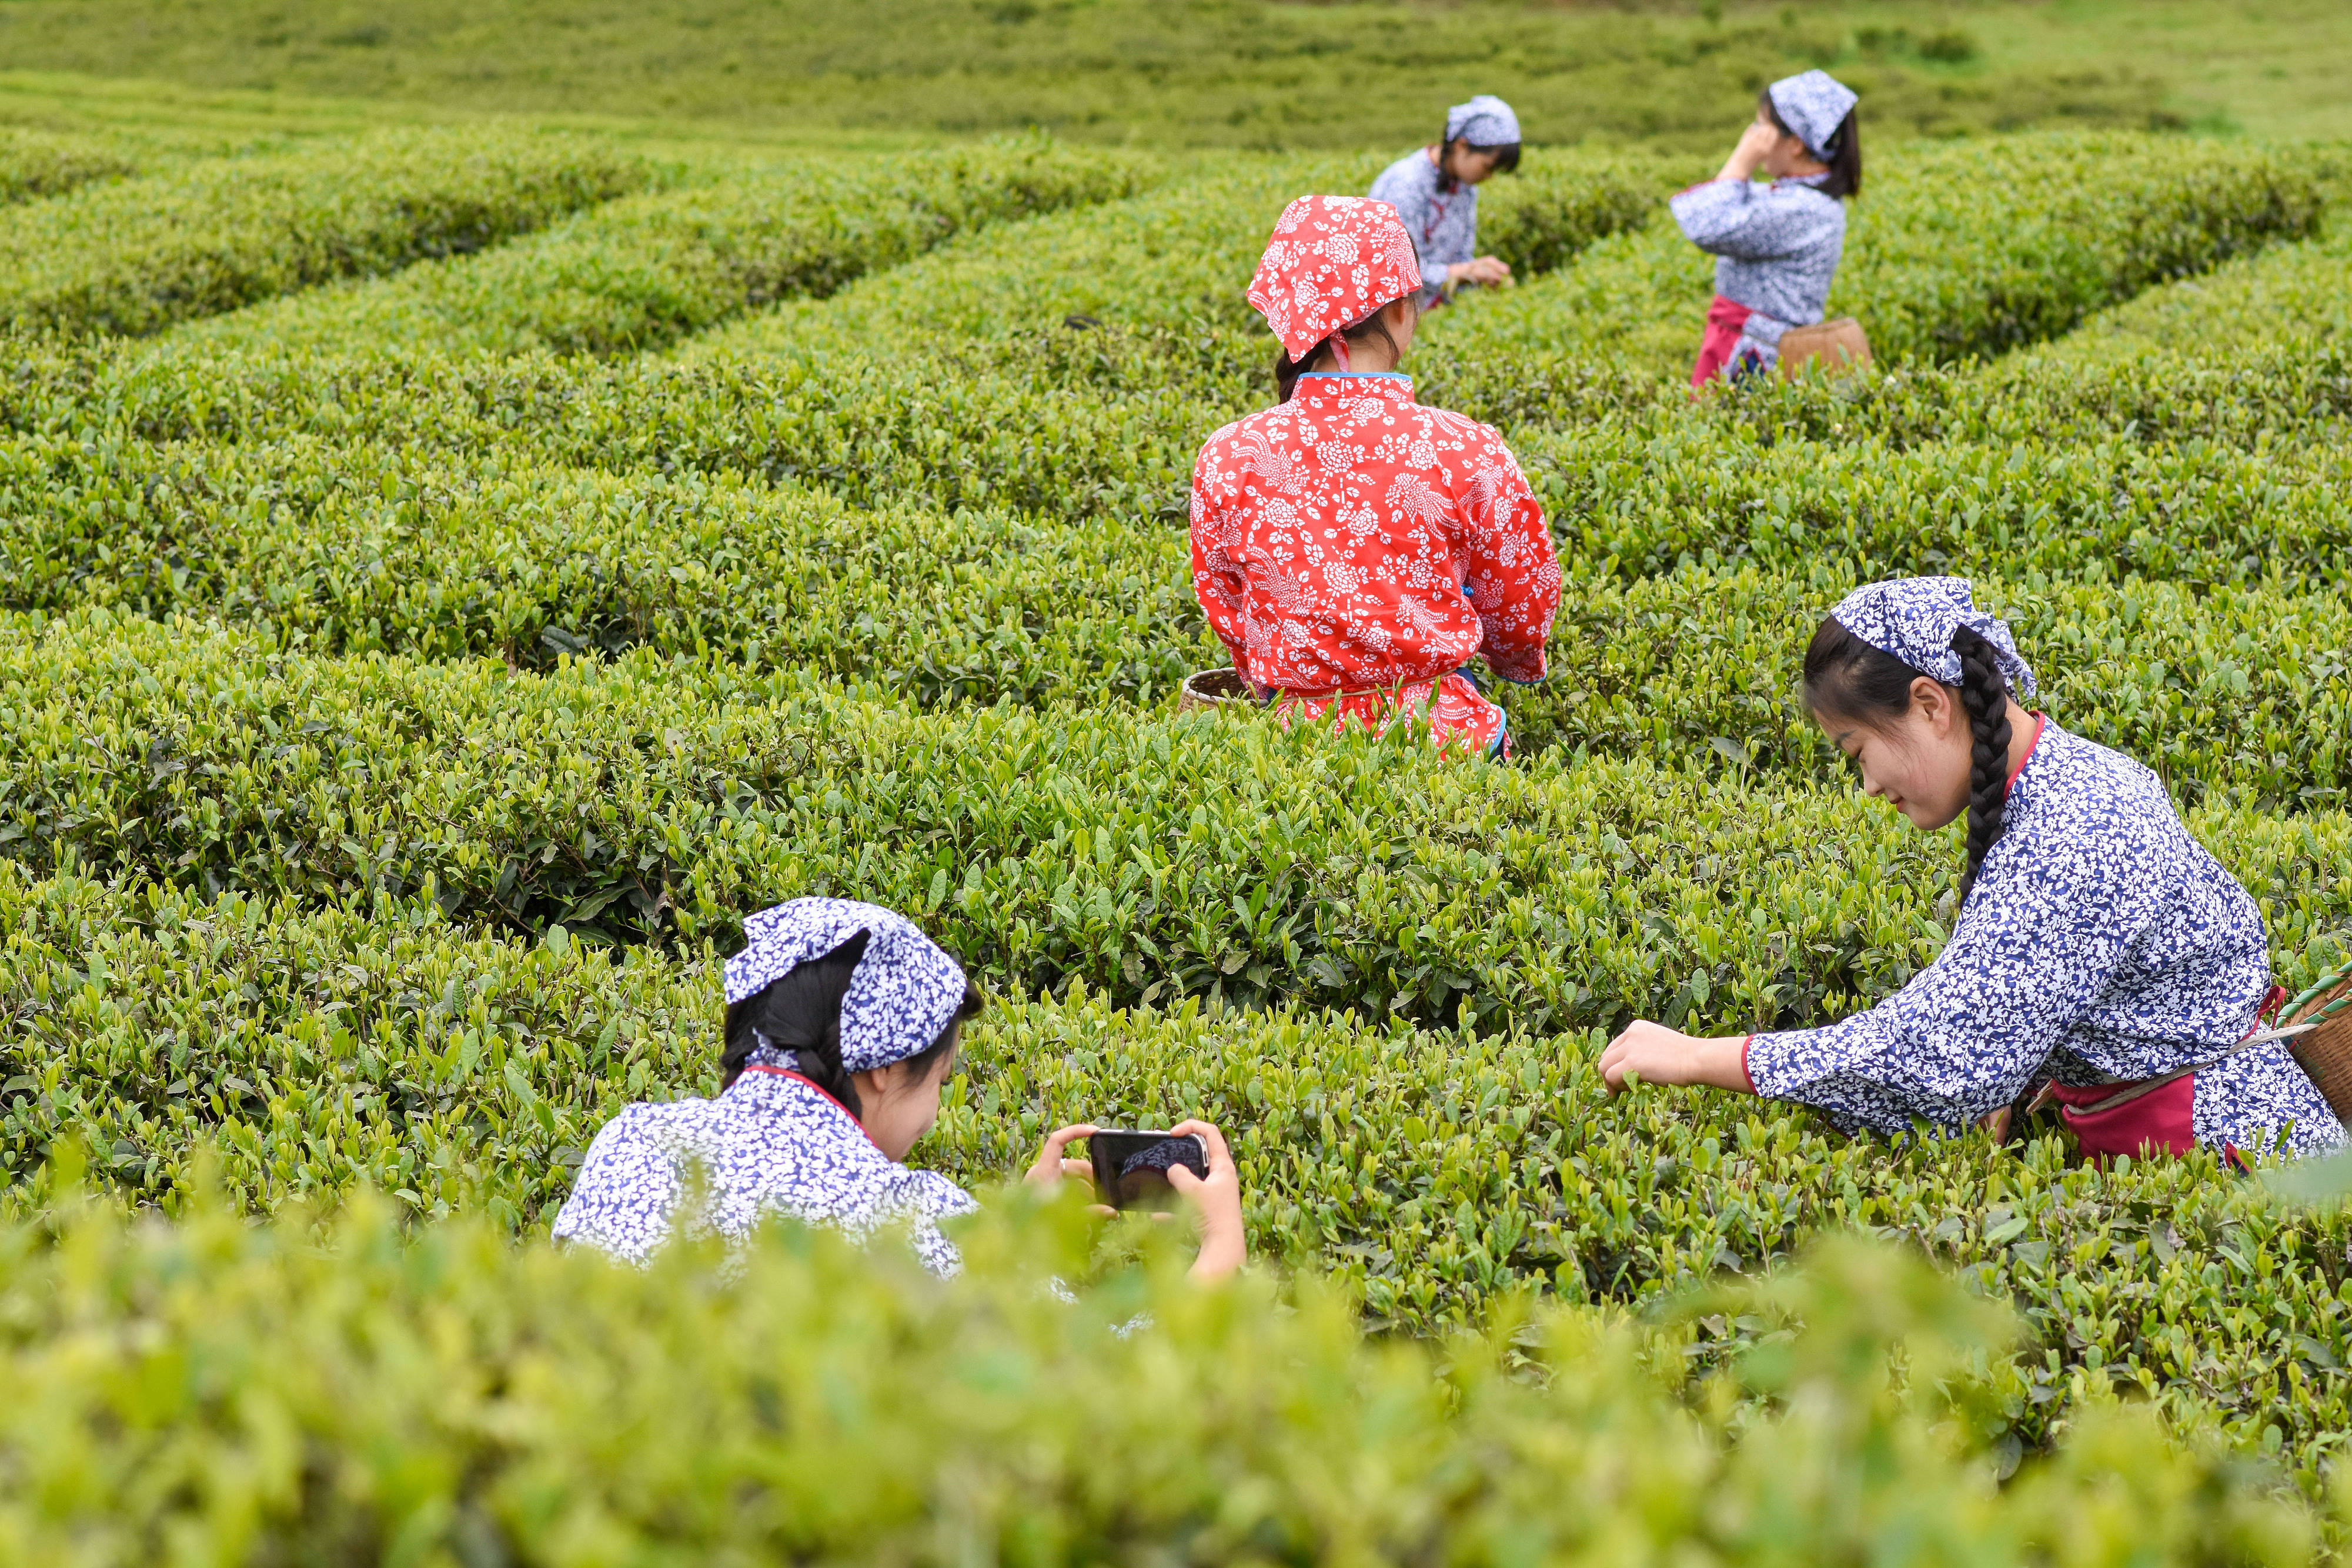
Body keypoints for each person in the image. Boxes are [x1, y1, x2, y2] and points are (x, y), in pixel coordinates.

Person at [1596, 577, 2346, 1164]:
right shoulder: (2057, 782)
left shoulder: (2077, 827)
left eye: (1858, 753)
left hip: (2227, 1162)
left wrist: (1700, 1055)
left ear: (1930, 703)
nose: (1868, 788)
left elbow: (1939, 1056)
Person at [553, 897, 1249, 1278]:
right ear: (883, 1068)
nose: (934, 1113)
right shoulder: (913, 1219)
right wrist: (1222, 1242)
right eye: (939, 1080)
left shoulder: (633, 1138)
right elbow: (1101, 1387)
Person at [1188, 193, 1562, 759]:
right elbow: (1520, 597)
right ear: (1398, 310)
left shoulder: (1230, 452)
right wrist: (1515, 664)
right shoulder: (1465, 446)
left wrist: (1277, 680)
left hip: (1292, 756)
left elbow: (1227, 605)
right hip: (1449, 748)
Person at [1670, 69, 1862, 386]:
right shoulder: (1800, 196)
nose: (1754, 137)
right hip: (1748, 344)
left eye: (1762, 127)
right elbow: (1709, 206)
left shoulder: (1803, 209)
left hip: (1757, 359)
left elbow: (1706, 224)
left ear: (1796, 144)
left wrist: (1741, 161)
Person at [1368, 94, 1522, 309]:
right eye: (1488, 167)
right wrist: (1464, 272)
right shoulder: (1406, 185)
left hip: (1432, 310)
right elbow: (1398, 271)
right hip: (1393, 314)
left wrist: (1481, 274)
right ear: (1462, 146)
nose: (1489, 177)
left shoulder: (1466, 187)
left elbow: (1461, 258)